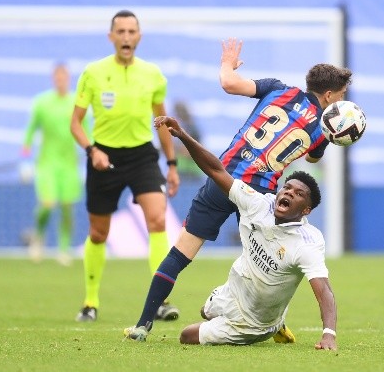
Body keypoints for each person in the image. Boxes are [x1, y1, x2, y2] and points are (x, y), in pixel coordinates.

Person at [124, 37, 351, 341]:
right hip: (262, 197)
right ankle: (276, 323)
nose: (341, 103)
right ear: (327, 95)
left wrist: (227, 63)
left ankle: (142, 324)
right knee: (271, 265)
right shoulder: (323, 129)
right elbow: (311, 156)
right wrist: (331, 134)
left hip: (224, 179)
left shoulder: (277, 89)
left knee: (180, 253)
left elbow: (229, 83)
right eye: (340, 97)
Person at [128, 116, 338, 350]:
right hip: (234, 293)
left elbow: (324, 291)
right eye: (287, 187)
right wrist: (182, 135)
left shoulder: (308, 242)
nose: (288, 193)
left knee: (186, 336)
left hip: (255, 320)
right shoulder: (258, 203)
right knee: (204, 311)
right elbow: (216, 170)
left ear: (306, 210)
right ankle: (264, 322)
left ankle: (272, 325)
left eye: (298, 194)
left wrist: (329, 334)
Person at [70, 10, 180, 322]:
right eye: (121, 32)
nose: (126, 37)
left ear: (139, 37)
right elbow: (75, 124)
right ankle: (90, 302)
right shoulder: (93, 73)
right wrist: (92, 150)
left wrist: (171, 163)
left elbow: (162, 122)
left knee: (158, 220)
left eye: (132, 31)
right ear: (111, 37)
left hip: (142, 156)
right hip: (103, 156)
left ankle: (160, 301)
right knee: (98, 232)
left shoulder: (153, 75)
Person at [21, 63, 86, 266]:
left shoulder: (76, 102)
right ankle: (38, 237)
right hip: (47, 163)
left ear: (68, 79)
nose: (60, 81)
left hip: (69, 164)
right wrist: (25, 154)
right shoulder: (42, 103)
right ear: (53, 79)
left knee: (67, 208)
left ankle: (64, 249)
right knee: (47, 205)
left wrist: (91, 152)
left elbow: (86, 130)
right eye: (57, 77)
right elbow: (31, 129)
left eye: (64, 77)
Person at [172, 100, 203, 180]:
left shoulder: (192, 128)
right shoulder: (183, 127)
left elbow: (196, 150)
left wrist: (175, 148)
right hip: (181, 171)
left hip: (191, 174)